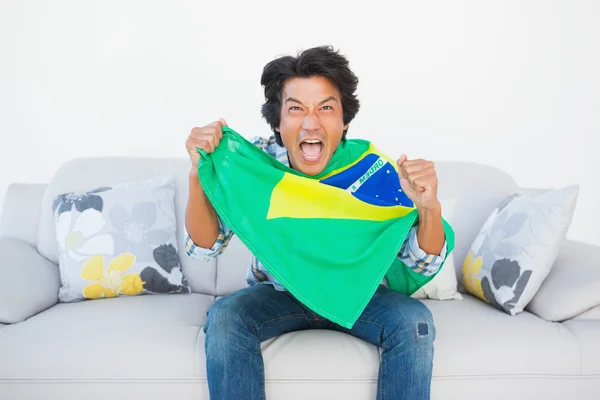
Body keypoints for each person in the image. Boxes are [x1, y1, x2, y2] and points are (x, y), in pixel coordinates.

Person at [184, 45, 447, 400]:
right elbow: (204, 248)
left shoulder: (369, 170)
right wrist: (200, 172)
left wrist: (429, 207)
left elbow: (423, 261)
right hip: (279, 294)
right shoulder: (256, 166)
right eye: (296, 109)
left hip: (358, 294)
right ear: (278, 122)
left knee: (415, 323)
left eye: (326, 108)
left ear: (344, 123)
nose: (311, 122)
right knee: (226, 318)